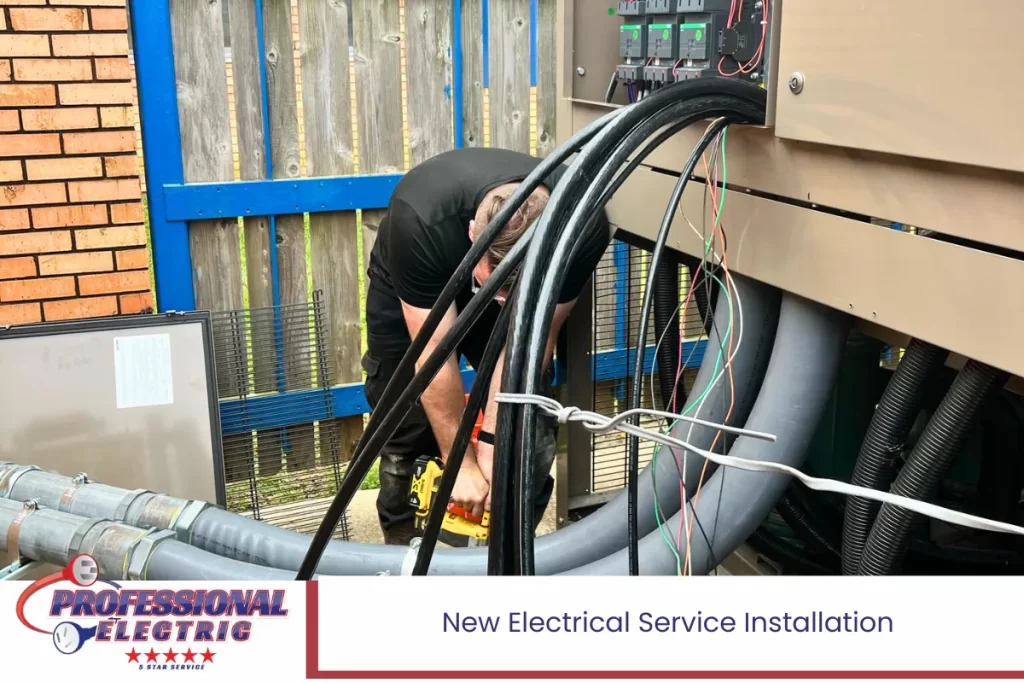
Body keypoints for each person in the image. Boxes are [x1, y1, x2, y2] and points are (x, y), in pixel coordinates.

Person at [362, 146, 610, 545]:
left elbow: (531, 345)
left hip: (522, 280)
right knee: (405, 416)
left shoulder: (584, 227)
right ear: (473, 235)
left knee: (526, 428)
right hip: (420, 276)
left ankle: (511, 548)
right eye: (500, 284)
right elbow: (434, 358)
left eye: (516, 288)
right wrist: (458, 462)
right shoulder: (420, 219)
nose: (503, 299)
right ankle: (402, 543)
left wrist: (496, 442)